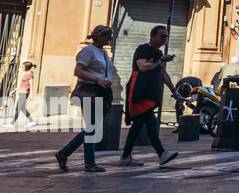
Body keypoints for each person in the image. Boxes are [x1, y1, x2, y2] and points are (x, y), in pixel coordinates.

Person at [56, 25, 115, 172]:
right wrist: (97, 79)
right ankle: (86, 161)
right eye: (108, 36)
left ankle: (65, 154)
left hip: (101, 91)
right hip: (90, 91)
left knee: (92, 128)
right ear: (99, 36)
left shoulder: (103, 52)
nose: (110, 39)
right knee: (91, 129)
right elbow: (78, 71)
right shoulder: (88, 51)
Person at [120, 25, 180, 167]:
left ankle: (125, 157)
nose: (164, 39)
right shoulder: (143, 49)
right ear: (153, 36)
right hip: (139, 92)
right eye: (162, 36)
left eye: (166, 36)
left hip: (150, 94)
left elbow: (163, 74)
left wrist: (174, 90)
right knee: (150, 124)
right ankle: (161, 153)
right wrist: (161, 61)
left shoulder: (158, 53)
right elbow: (142, 66)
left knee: (138, 126)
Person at [7, 61, 35, 128]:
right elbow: (21, 85)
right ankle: (31, 121)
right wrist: (14, 91)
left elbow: (31, 84)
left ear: (26, 67)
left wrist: (31, 94)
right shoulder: (25, 73)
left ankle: (12, 123)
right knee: (22, 108)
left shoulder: (29, 74)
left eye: (23, 66)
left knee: (18, 108)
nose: (22, 67)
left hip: (25, 93)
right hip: (21, 92)